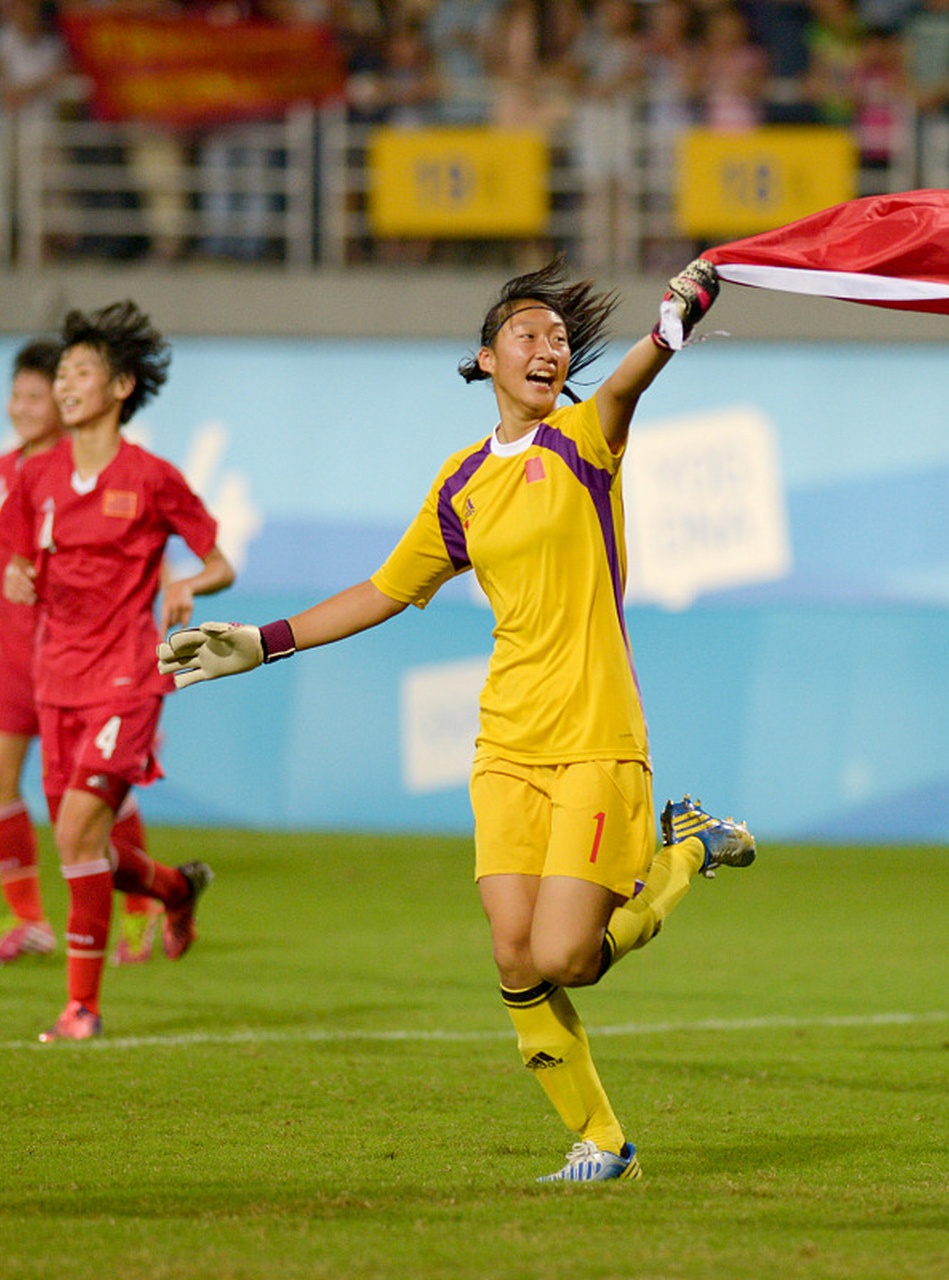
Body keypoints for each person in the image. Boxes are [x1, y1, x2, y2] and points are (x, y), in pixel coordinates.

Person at [157, 259, 759, 1185]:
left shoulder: (585, 441)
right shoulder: (462, 482)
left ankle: (689, 852)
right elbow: (384, 590)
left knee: (570, 954)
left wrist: (674, 325)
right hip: (507, 743)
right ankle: (602, 1144)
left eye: (560, 339)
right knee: (515, 953)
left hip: (597, 735)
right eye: (528, 334)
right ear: (487, 358)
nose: (548, 348)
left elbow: (634, 379)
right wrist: (262, 642)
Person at [0, 300, 236, 1042]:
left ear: (120, 385)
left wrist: (191, 584)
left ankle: (82, 1007)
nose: (65, 386)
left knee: (73, 836)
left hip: (129, 678)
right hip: (54, 681)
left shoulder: (153, 478)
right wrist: (19, 579)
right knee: (86, 845)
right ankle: (173, 888)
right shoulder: (38, 479)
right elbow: (16, 565)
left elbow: (219, 558)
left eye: (80, 372)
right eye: (61, 373)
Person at [0, 340, 169, 967]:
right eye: (15, 395)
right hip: (13, 658)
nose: (20, 408)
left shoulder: (100, 471)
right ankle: (28, 920)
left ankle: (140, 908)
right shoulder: (7, 469)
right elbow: (23, 530)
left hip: (82, 662)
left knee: (101, 798)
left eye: (35, 395)